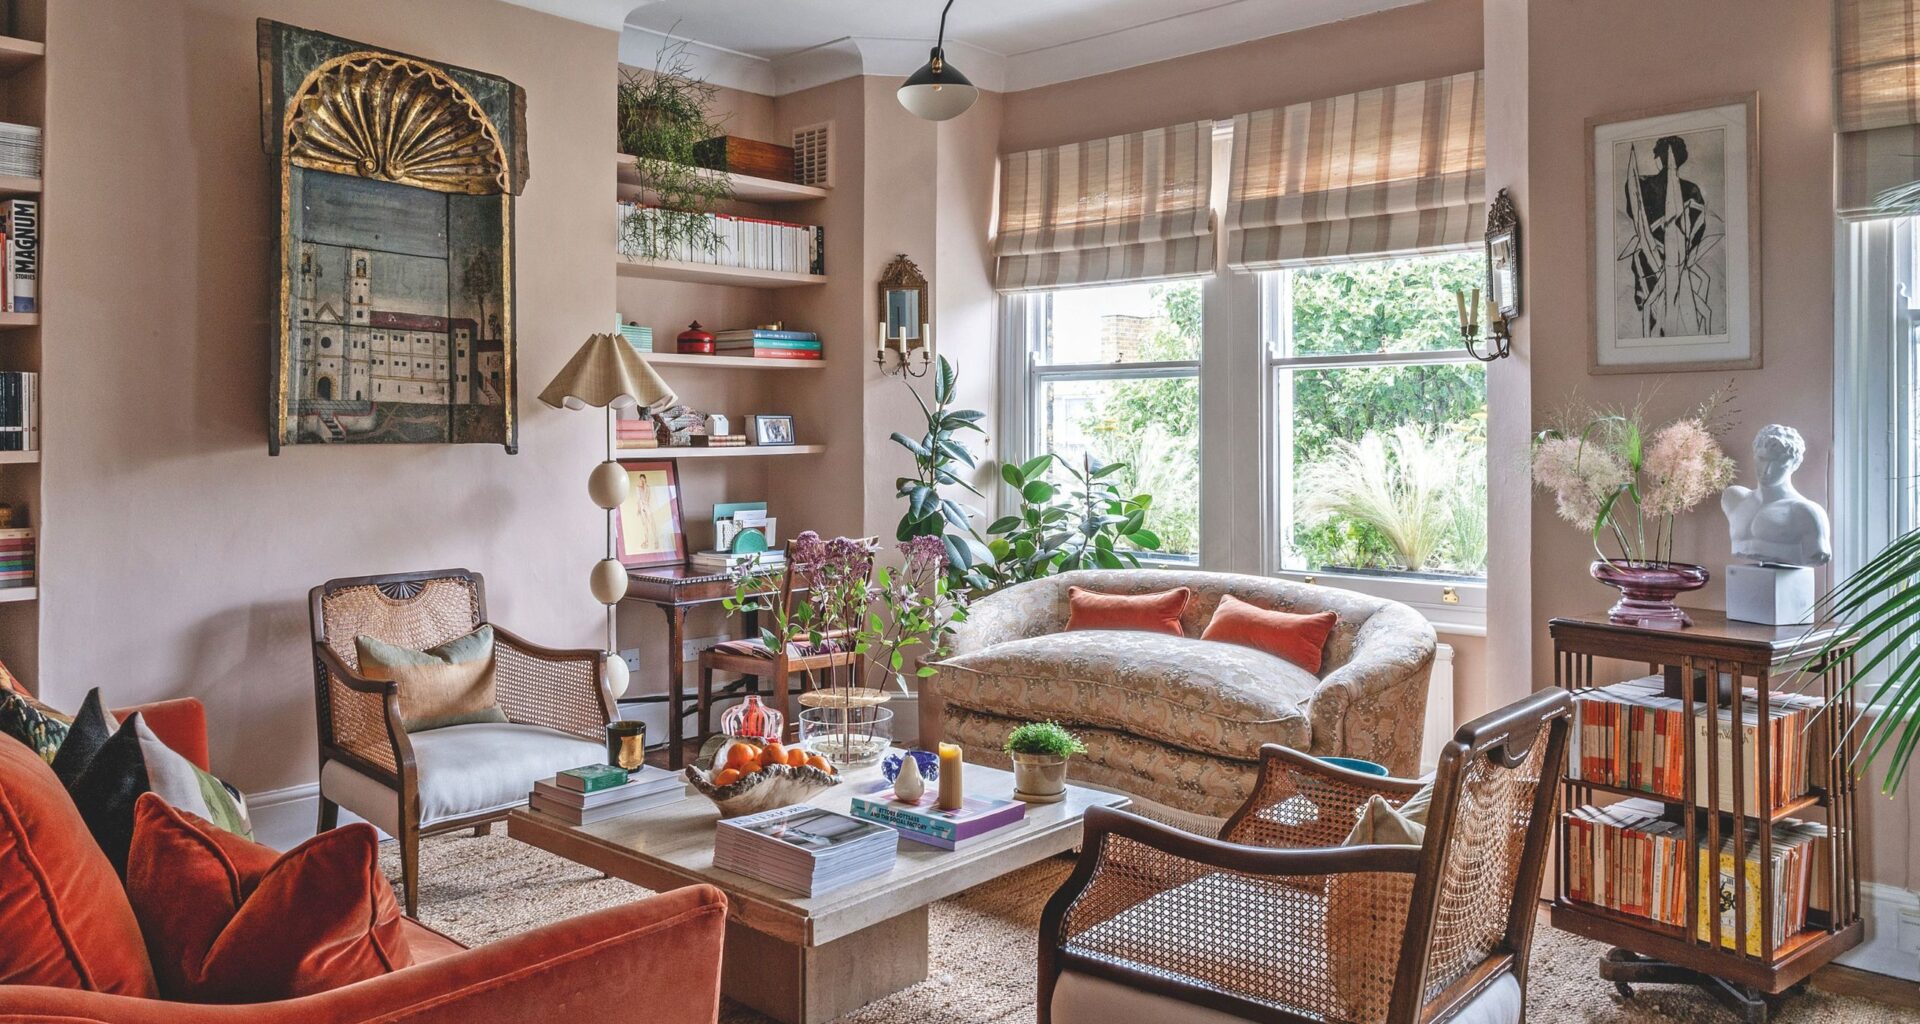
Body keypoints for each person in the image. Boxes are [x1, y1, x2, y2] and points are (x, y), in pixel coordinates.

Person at [1721, 424, 1831, 567]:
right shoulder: (1734, 499)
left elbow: (1817, 555)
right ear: (1754, 455)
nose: (1767, 470)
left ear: (1795, 464)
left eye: (1780, 463)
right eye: (1762, 459)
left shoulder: (1805, 513)